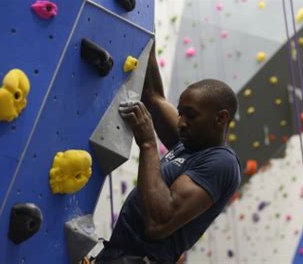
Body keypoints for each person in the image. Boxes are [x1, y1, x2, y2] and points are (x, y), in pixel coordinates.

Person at [93, 43, 242, 264]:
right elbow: (153, 96)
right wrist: (146, 31)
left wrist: (147, 144)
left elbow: (158, 223)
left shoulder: (221, 162)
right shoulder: (187, 142)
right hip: (116, 254)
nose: (181, 123)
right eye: (180, 114)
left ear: (220, 118)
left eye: (190, 115)